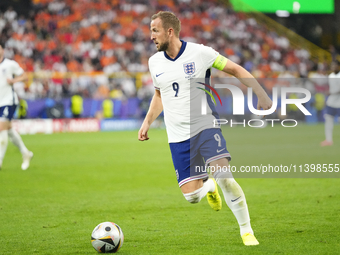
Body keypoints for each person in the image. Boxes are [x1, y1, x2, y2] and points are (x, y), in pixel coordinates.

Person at [138, 12, 273, 246]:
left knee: (225, 177)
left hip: (206, 127)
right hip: (178, 136)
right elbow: (160, 95)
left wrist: (261, 93)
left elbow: (236, 70)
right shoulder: (154, 62)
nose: (151, 36)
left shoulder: (200, 53)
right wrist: (147, 121)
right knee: (191, 197)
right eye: (151, 31)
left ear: (170, 31)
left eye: (155, 30)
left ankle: (246, 230)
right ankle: (208, 185)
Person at [0, 41, 33, 170]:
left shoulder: (10, 64)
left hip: (9, 101)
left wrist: (14, 80)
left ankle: (0, 161)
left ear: (2, 49)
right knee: (8, 129)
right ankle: (26, 153)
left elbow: (25, 76)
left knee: (1, 127)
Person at [320, 61, 340, 146]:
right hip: (331, 102)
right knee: (328, 119)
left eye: (334, 65)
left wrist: (331, 92)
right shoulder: (331, 76)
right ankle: (328, 140)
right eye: (332, 66)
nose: (333, 67)